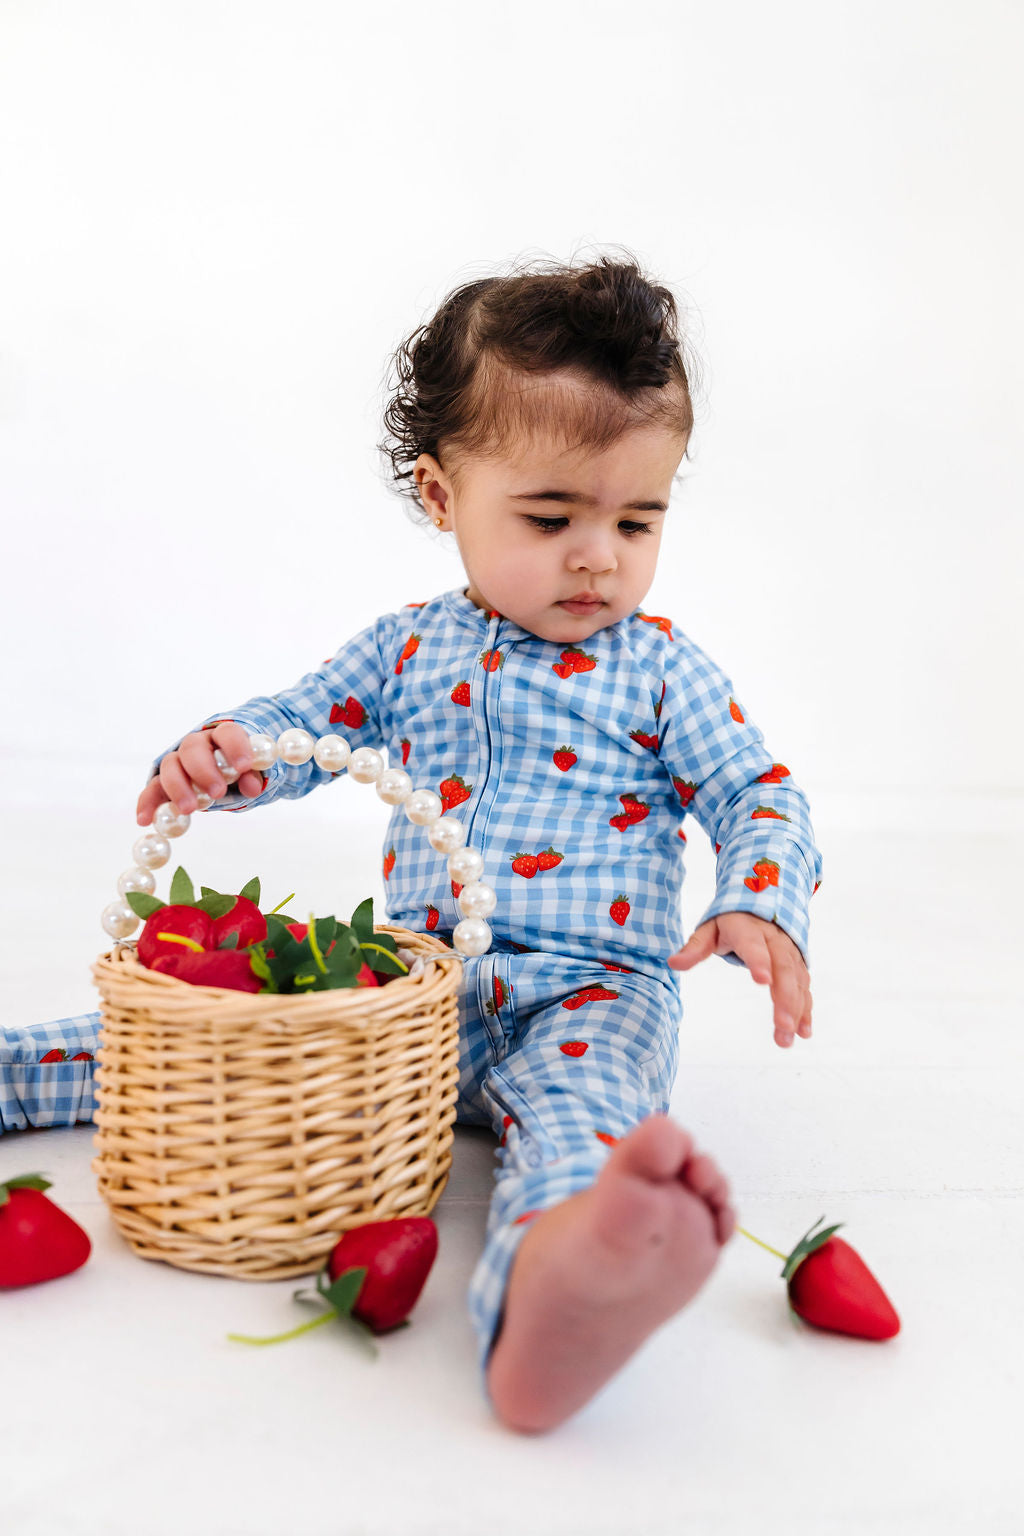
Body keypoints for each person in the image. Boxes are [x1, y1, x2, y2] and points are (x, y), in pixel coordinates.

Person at [91, 252, 828, 1432]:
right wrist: (228, 753)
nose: (599, 555)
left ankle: (557, 1291)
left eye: (637, 519)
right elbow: (302, 727)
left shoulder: (661, 670)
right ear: (442, 498)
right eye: (551, 517)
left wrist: (759, 894)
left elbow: (758, 790)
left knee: (582, 1121)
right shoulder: (406, 649)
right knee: (189, 1044)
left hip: (593, 992)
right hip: (418, 997)